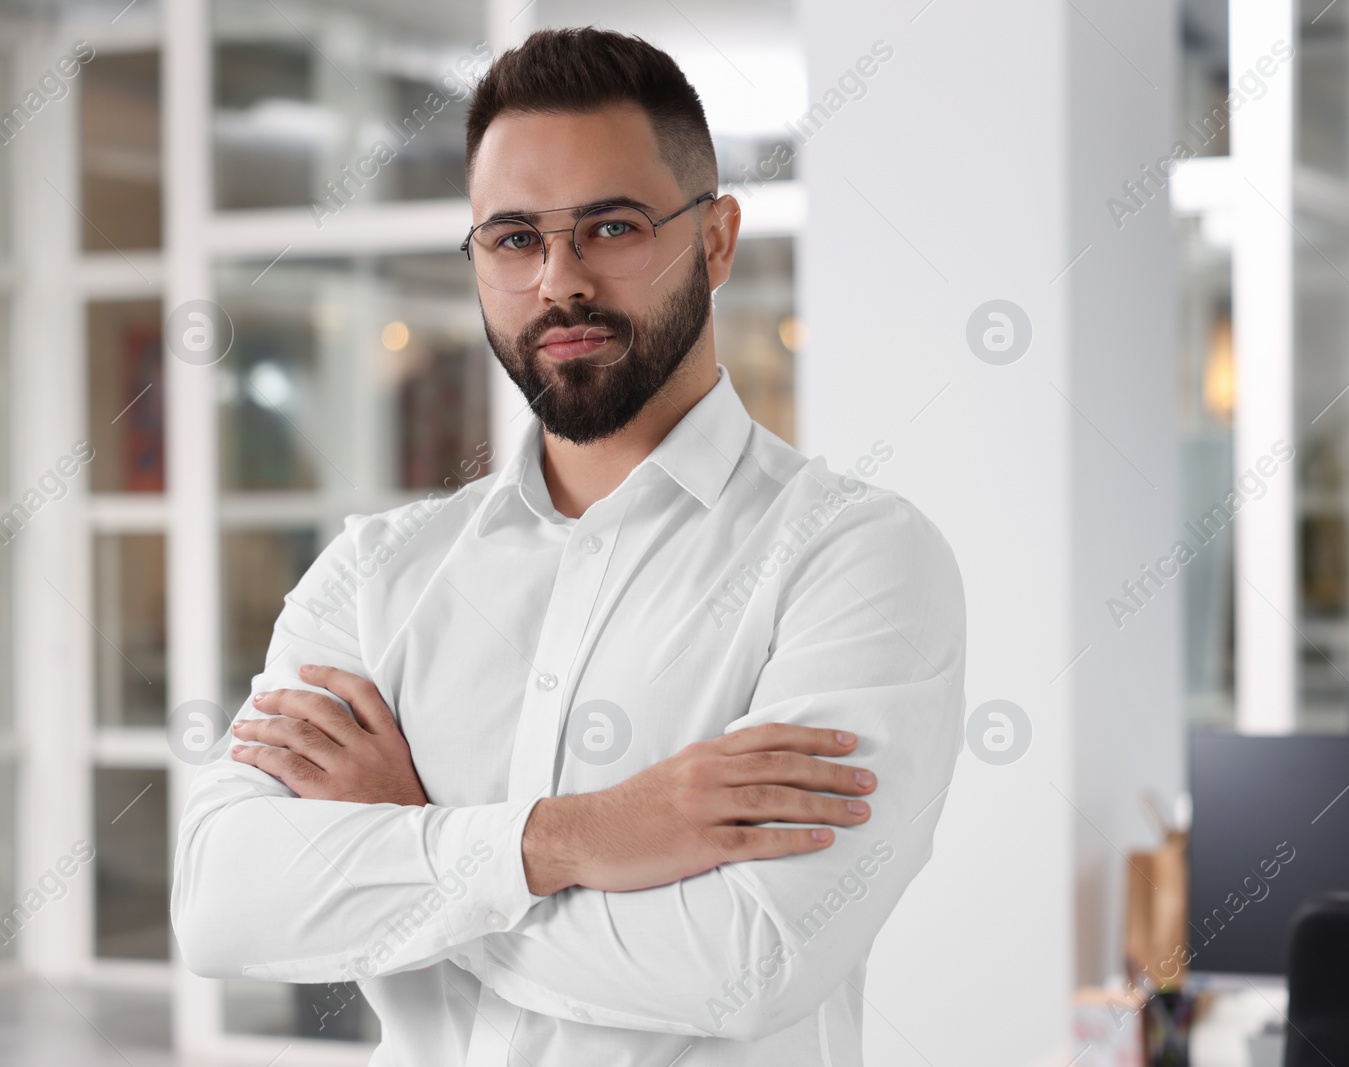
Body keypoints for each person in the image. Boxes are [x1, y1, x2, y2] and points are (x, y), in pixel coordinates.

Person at [172, 25, 966, 1067]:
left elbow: (747, 963)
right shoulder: (378, 573)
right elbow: (225, 901)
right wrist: (570, 838)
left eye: (611, 225)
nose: (558, 281)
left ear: (716, 240)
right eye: (513, 238)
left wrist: (409, 842)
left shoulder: (853, 556)